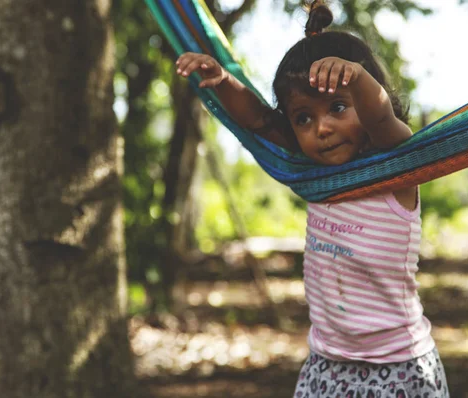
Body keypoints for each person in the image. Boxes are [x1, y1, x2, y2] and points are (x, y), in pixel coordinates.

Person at [175, 1, 449, 397]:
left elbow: (380, 118)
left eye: (338, 107)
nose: (322, 128)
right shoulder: (316, 175)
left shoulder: (397, 168)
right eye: (303, 117)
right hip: (327, 364)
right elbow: (258, 121)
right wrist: (220, 80)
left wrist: (356, 79)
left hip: (399, 366)